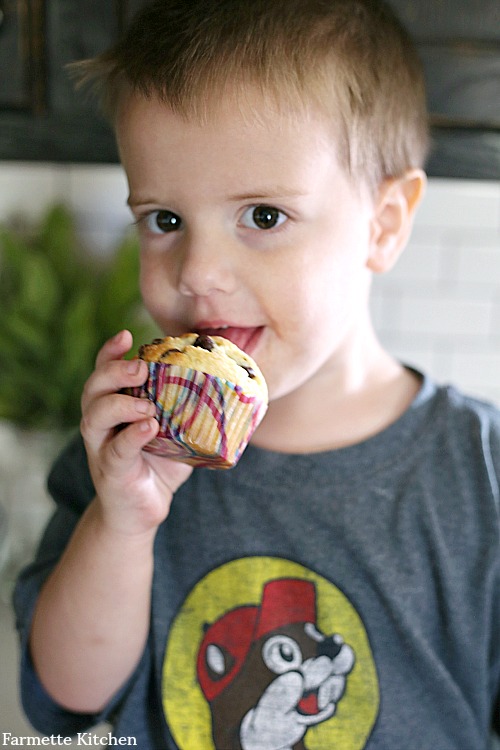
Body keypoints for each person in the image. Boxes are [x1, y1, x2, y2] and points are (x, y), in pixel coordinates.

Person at [14, 1, 500, 748]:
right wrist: (121, 523)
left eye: (264, 217)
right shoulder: (125, 454)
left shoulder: (483, 475)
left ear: (384, 223)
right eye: (165, 220)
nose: (199, 273)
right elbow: (66, 699)